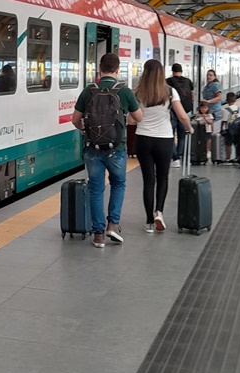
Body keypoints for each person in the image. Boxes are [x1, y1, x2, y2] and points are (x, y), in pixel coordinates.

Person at [71, 53, 142, 248]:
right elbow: (139, 117)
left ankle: (98, 235)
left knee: (96, 189)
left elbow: (75, 119)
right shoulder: (125, 92)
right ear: (118, 70)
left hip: (92, 149)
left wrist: (85, 130)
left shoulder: (89, 91)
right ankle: (113, 224)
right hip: (117, 148)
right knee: (118, 184)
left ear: (99, 69)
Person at [134, 59, 193, 234]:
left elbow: (132, 119)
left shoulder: (137, 92)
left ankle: (149, 222)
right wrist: (189, 128)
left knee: (148, 180)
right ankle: (159, 212)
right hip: (164, 140)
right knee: (163, 178)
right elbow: (182, 116)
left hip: (143, 139)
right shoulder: (169, 91)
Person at [166, 63, 194, 168]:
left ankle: (175, 158)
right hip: (185, 111)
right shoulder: (188, 81)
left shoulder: (168, 81)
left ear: (172, 71)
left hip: (172, 112)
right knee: (182, 135)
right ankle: (180, 155)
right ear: (181, 71)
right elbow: (192, 96)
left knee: (171, 135)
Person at [221, 92, 240, 162]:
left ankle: (228, 158)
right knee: (236, 143)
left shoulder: (226, 110)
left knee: (228, 144)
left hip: (229, 129)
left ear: (226, 100)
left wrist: (222, 129)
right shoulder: (237, 108)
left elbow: (224, 120)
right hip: (237, 127)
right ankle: (237, 157)